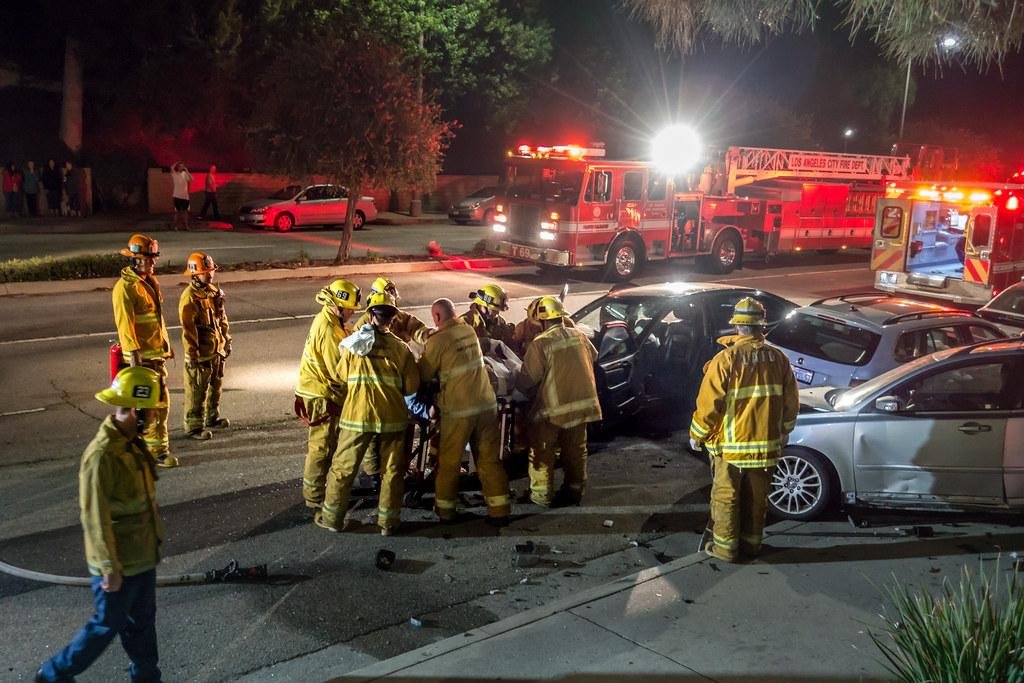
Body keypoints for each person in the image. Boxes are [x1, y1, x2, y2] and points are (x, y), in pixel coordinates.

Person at [35, 366, 166, 683]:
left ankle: (147, 678)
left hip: (142, 558)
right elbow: (94, 516)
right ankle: (54, 673)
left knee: (143, 626)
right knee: (105, 626)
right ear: (135, 410)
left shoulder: (131, 446)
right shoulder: (102, 455)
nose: (154, 419)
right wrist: (109, 566)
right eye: (149, 413)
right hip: (119, 563)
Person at [689, 297, 799, 563]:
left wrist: (697, 435)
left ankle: (725, 550)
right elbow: (790, 403)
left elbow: (708, 406)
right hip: (766, 448)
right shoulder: (779, 359)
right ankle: (752, 546)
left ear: (737, 327)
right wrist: (783, 433)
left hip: (731, 449)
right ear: (761, 327)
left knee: (727, 498)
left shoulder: (726, 359)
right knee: (756, 500)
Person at [318, 292, 419, 536]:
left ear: (370, 314)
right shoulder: (401, 349)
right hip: (392, 418)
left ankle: (332, 519)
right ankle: (388, 524)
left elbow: (341, 376)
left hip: (357, 416)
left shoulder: (355, 345)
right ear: (393, 319)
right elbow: (411, 386)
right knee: (392, 471)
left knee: (344, 468)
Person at [419, 297, 511, 525]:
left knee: (449, 462)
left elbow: (423, 373)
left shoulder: (438, 340)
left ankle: (445, 511)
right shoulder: (468, 329)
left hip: (459, 410)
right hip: (486, 405)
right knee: (489, 460)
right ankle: (499, 511)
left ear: (437, 317)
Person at [514, 295, 601, 507]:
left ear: (542, 320)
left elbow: (527, 379)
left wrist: (518, 393)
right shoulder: (579, 336)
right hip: (583, 406)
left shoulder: (541, 343)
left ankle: (541, 496)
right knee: (576, 451)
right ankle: (574, 491)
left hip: (553, 410)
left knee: (542, 451)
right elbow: (595, 356)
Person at [294, 279, 361, 509]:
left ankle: (319, 491)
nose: (352, 313)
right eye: (350, 308)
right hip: (321, 394)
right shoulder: (330, 329)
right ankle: (314, 498)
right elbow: (339, 372)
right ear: (338, 305)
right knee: (321, 447)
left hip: (318, 390)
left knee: (327, 444)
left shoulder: (330, 319)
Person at [112, 234, 177, 468]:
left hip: (156, 355)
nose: (153, 262)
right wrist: (135, 358)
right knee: (149, 408)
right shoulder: (125, 288)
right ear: (136, 260)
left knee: (160, 404)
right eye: (149, 258)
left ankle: (155, 448)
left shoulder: (149, 281)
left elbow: (157, 320)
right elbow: (125, 326)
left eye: (153, 258)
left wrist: (167, 346)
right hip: (142, 359)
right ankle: (154, 452)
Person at [179, 252, 232, 442]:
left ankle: (212, 417)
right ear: (194, 274)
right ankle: (193, 426)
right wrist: (191, 353)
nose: (210, 275)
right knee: (197, 391)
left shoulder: (213, 292)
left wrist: (227, 340)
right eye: (205, 271)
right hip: (200, 353)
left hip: (215, 350)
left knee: (215, 386)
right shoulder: (189, 297)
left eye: (211, 270)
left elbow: (221, 319)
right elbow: (188, 329)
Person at [351, 276, 430, 346]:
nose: (389, 315)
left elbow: (419, 330)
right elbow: (354, 349)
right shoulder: (362, 325)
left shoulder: (402, 318)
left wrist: (431, 336)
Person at [459, 283, 515, 351]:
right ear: (483, 306)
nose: (497, 313)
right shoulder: (465, 322)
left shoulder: (500, 322)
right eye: (494, 310)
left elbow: (507, 347)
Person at [170, 162, 193, 231]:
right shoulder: (175, 174)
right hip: (177, 196)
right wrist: (177, 163)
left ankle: (186, 226)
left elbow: (191, 179)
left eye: (182, 166)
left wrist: (187, 171)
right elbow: (171, 167)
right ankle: (175, 226)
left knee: (185, 212)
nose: (181, 167)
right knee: (177, 212)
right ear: (178, 167)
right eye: (180, 166)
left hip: (185, 196)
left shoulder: (185, 174)